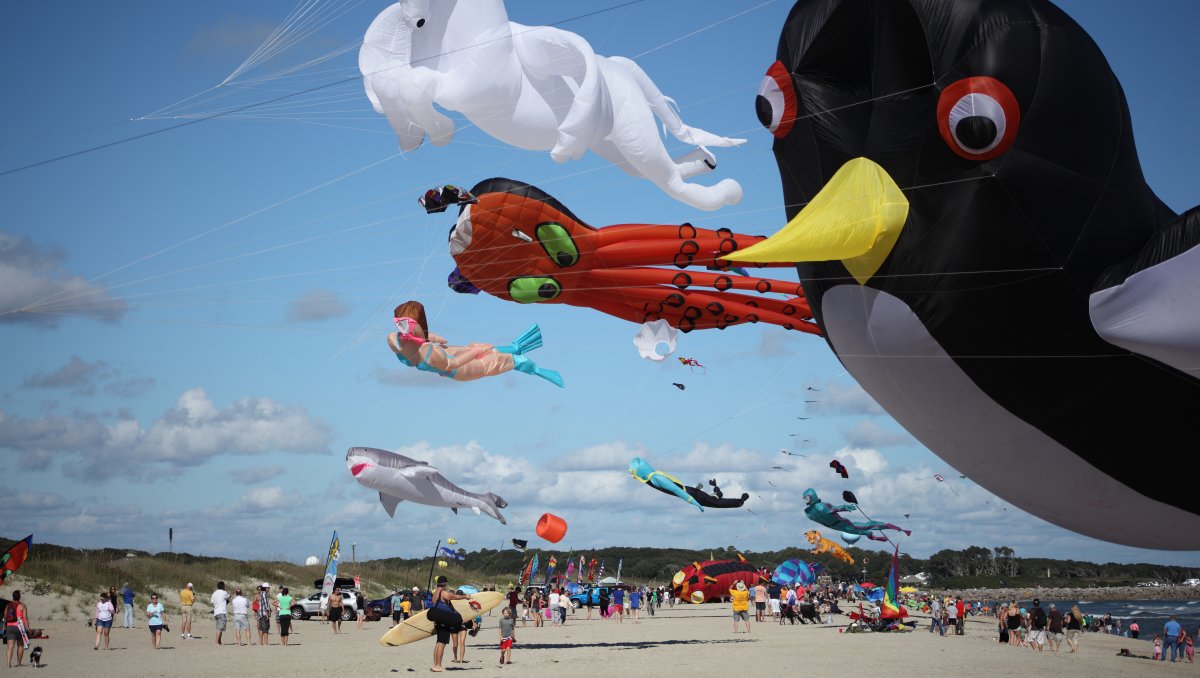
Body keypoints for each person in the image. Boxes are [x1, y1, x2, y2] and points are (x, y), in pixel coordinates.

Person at [388, 301, 564, 387]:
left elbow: (422, 339)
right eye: (399, 323)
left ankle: (516, 346)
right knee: (506, 360)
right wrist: (476, 351)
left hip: (447, 353)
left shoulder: (396, 340)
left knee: (488, 350)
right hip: (460, 369)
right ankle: (539, 370)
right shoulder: (426, 351)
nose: (402, 328)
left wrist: (431, 337)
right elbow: (453, 363)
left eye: (405, 324)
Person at [429, 575, 474, 672]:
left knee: (438, 643)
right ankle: (438, 666)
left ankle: (435, 665)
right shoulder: (443, 592)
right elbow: (452, 596)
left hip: (438, 620)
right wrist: (465, 596)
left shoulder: (435, 593)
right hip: (444, 620)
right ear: (445, 583)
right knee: (442, 643)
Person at [4, 591, 29, 667]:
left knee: (10, 647)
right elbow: (25, 619)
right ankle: (19, 663)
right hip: (19, 627)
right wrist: (27, 628)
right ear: (19, 597)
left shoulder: (8, 605)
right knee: (20, 645)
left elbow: (5, 617)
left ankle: (9, 664)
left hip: (9, 627)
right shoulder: (22, 606)